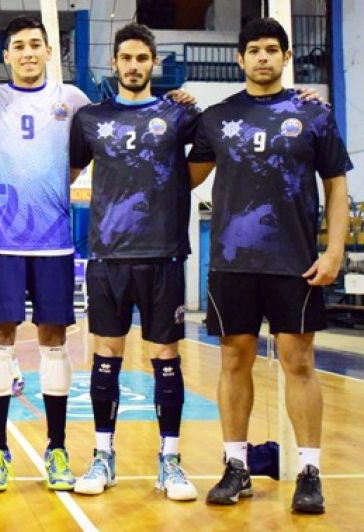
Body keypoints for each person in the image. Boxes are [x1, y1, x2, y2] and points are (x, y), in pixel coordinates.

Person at [188, 17, 351, 514]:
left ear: (285, 57)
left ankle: (309, 472)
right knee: (234, 360)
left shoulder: (313, 114)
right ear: (240, 59)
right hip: (232, 263)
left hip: (293, 261)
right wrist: (174, 112)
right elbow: (184, 177)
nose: (263, 57)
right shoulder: (217, 117)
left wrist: (334, 250)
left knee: (299, 362)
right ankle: (236, 466)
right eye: (254, 50)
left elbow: (336, 186)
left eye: (272, 49)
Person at [68, 23, 200, 501]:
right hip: (108, 255)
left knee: (166, 357)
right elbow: (66, 174)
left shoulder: (178, 114)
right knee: (106, 356)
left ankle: (170, 461)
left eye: (142, 58)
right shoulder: (90, 119)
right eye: (126, 57)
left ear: (154, 63)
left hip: (163, 253)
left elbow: (215, 149)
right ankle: (103, 456)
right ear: (114, 63)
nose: (133, 65)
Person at [0, 15, 91, 493]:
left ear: (48, 52)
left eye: (35, 45)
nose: (27, 52)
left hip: (54, 240)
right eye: (18, 46)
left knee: (54, 339)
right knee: (0, 337)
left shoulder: (73, 100)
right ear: (6, 56)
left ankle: (56, 448)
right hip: (1, 239)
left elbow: (80, 159)